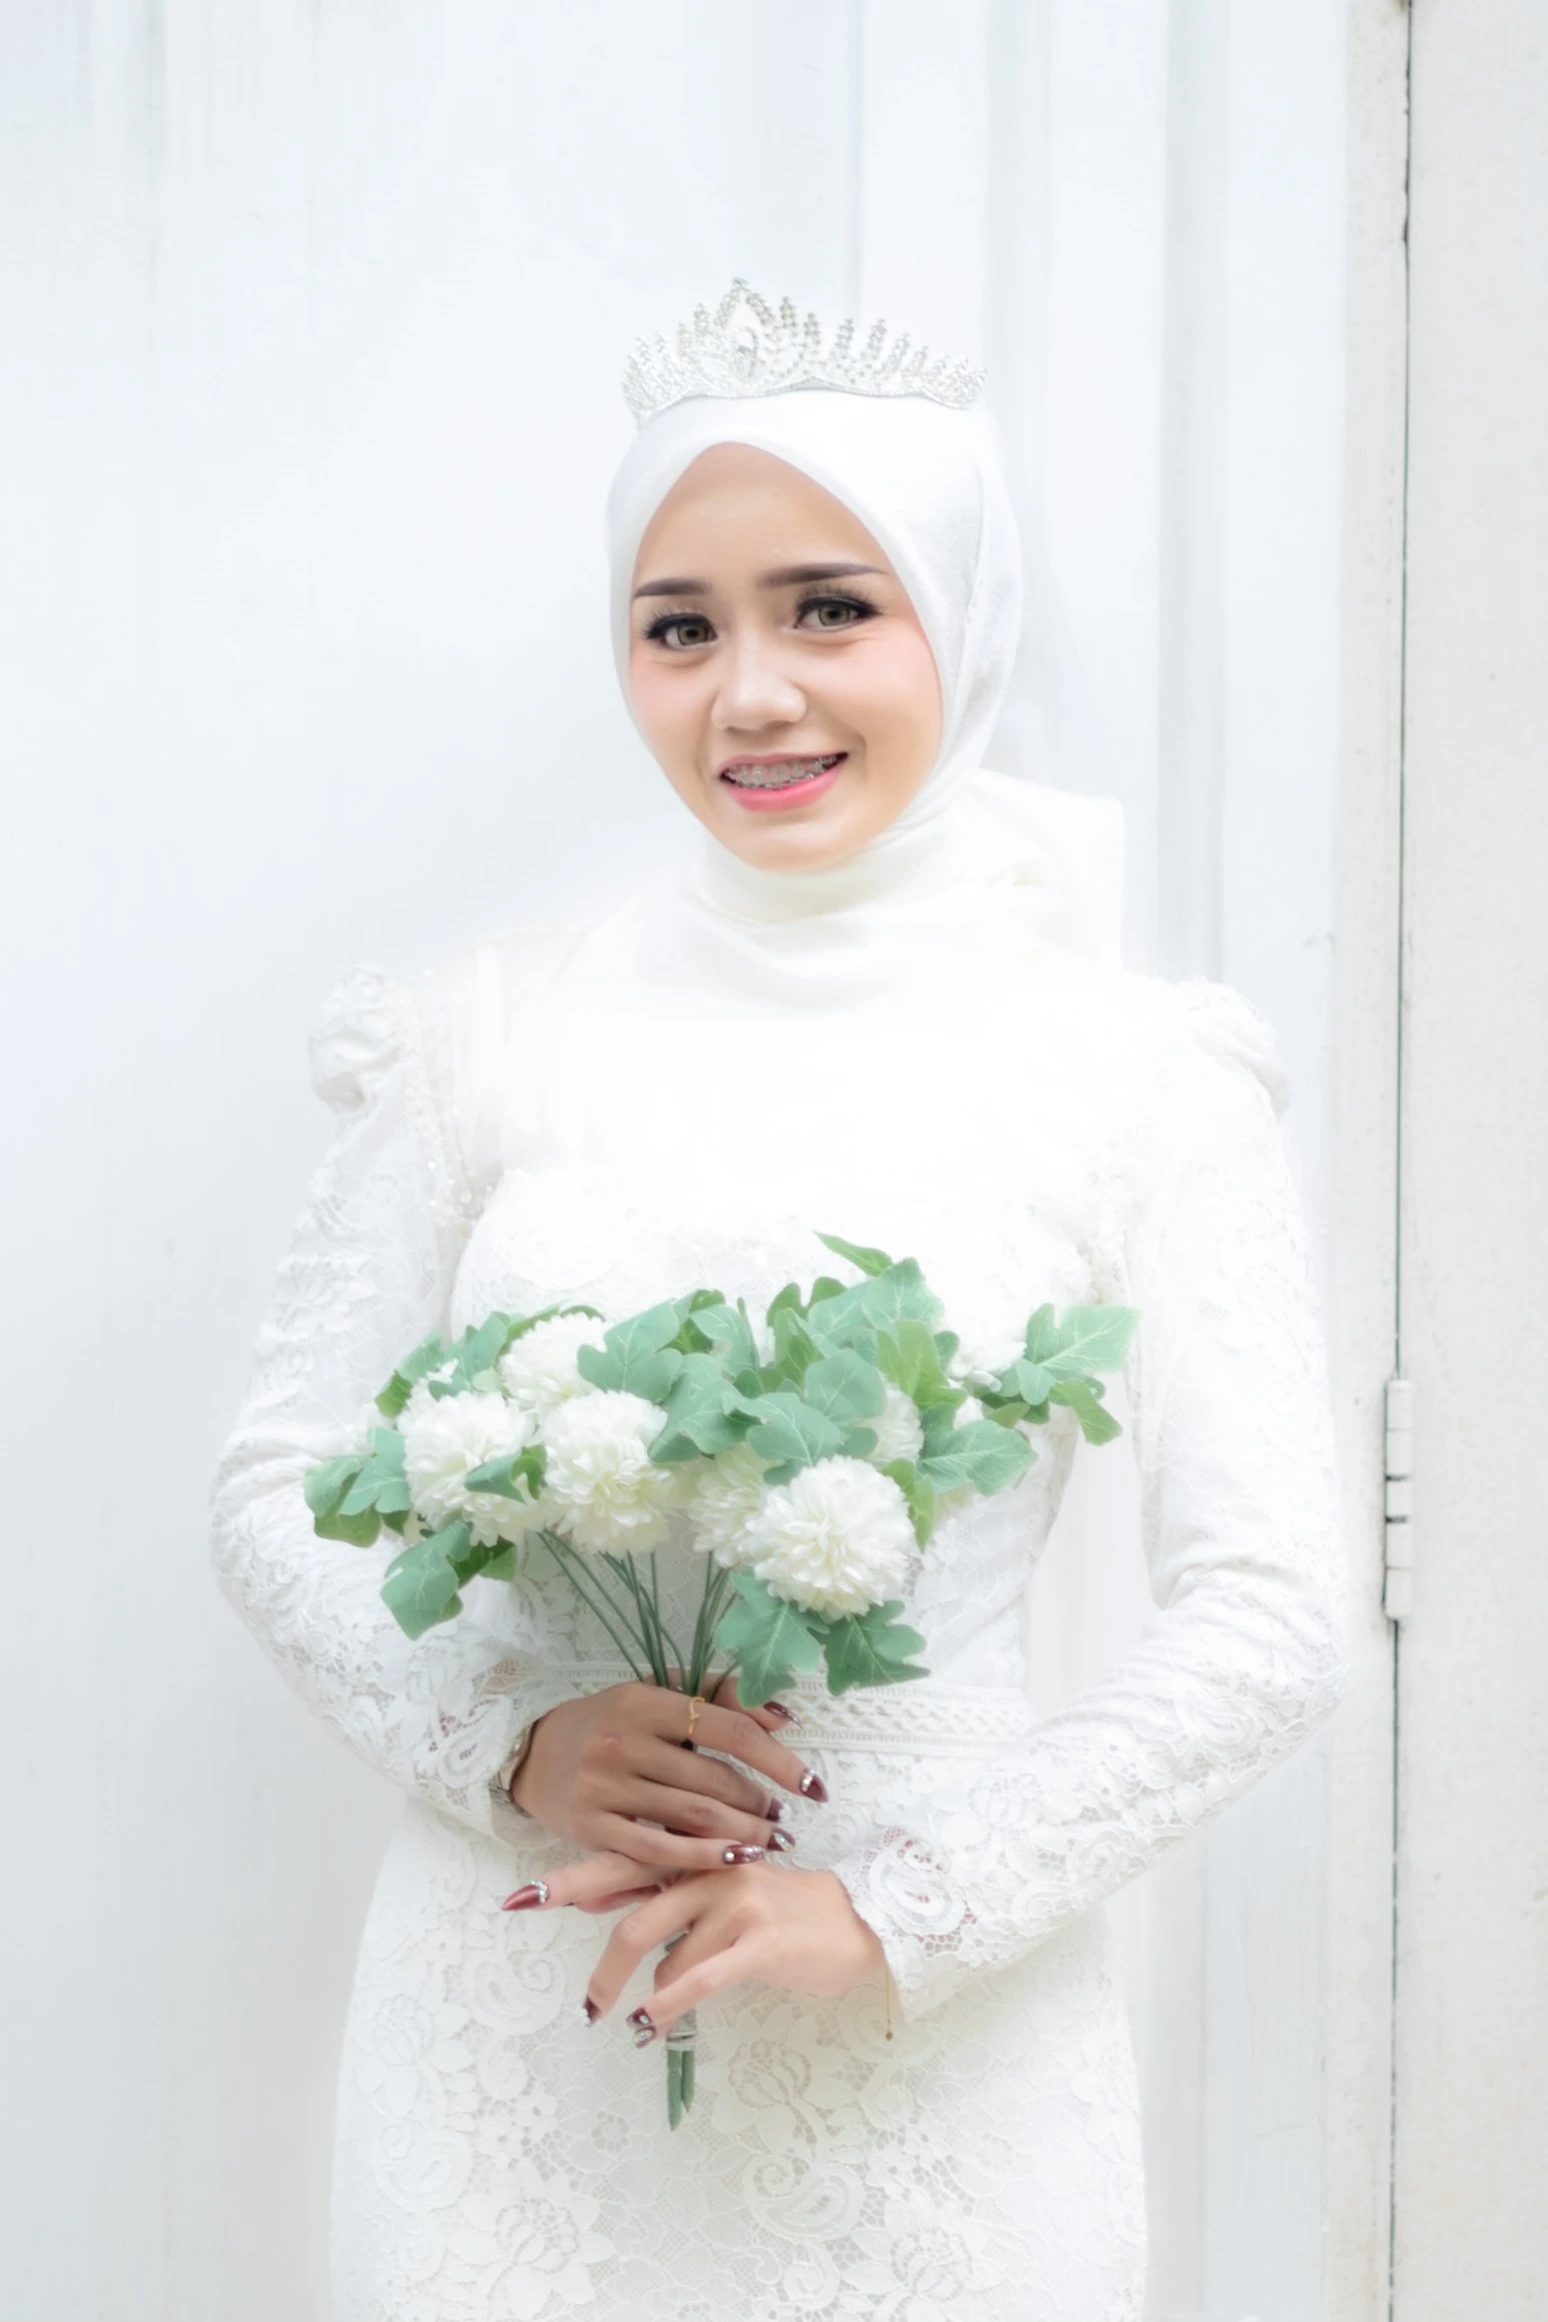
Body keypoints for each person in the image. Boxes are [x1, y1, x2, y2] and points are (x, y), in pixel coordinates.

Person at [212, 285, 1348, 2322]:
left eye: (831, 607)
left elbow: (1272, 1608)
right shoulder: (482, 1037)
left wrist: (905, 1908)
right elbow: (276, 1480)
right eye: (681, 628)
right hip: (519, 2004)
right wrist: (510, 1737)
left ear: (960, 618)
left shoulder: (1135, 1075)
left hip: (934, 2035)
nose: (751, 694)